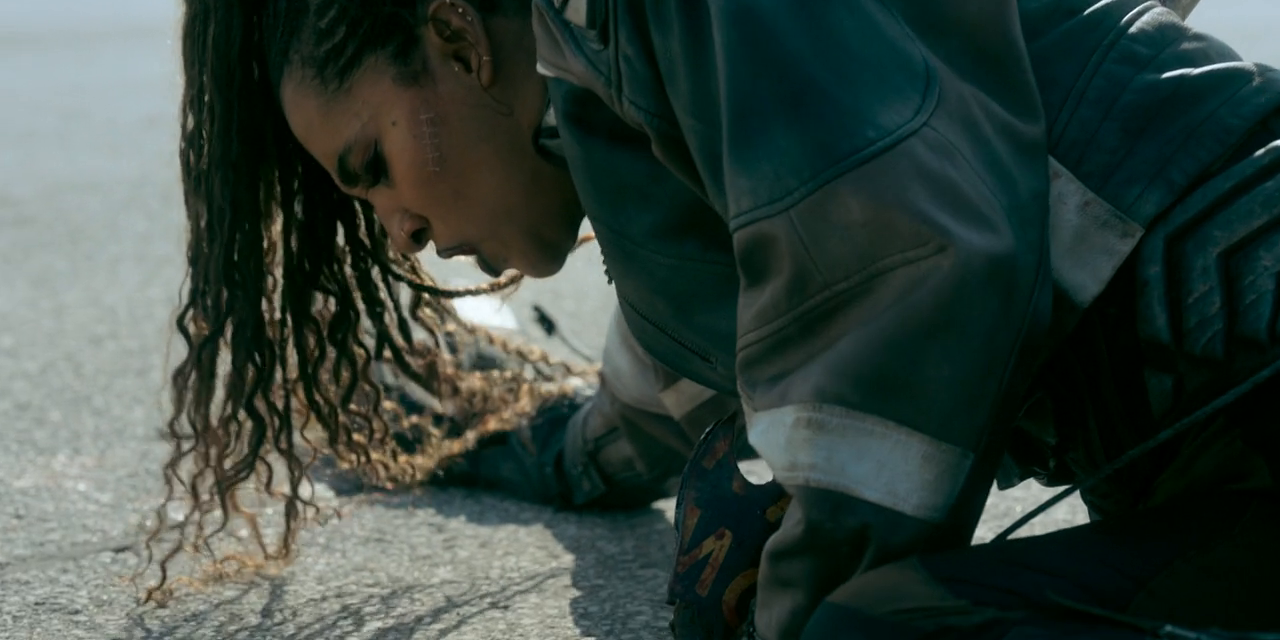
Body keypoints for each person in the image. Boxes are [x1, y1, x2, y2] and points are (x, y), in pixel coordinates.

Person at [156, 0, 1280, 637]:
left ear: (454, 40)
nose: (397, 232)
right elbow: (655, 408)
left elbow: (906, 265)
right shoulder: (635, 123)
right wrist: (482, 434)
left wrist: (793, 595)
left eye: (372, 168)